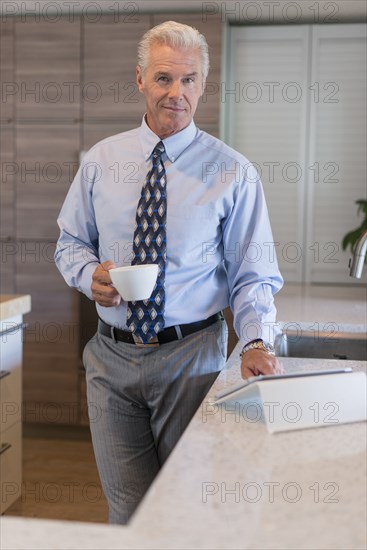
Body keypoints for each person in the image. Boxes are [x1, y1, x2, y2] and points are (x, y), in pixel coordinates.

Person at [55, 21, 284, 524]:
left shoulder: (233, 172)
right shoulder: (100, 161)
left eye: (188, 80)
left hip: (192, 359)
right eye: (163, 78)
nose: (176, 93)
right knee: (129, 513)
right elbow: (70, 243)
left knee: (188, 507)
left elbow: (253, 274)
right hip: (110, 360)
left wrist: (255, 342)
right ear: (140, 79)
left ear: (202, 84)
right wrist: (88, 273)